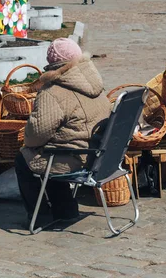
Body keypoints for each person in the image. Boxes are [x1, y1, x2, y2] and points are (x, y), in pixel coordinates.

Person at [15, 38, 111, 224]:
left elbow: (35, 136)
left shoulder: (52, 92)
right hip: (101, 155)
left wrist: (29, 140)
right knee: (52, 149)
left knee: (26, 158)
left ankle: (40, 216)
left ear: (52, 65)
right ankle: (65, 209)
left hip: (78, 158)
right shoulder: (95, 83)